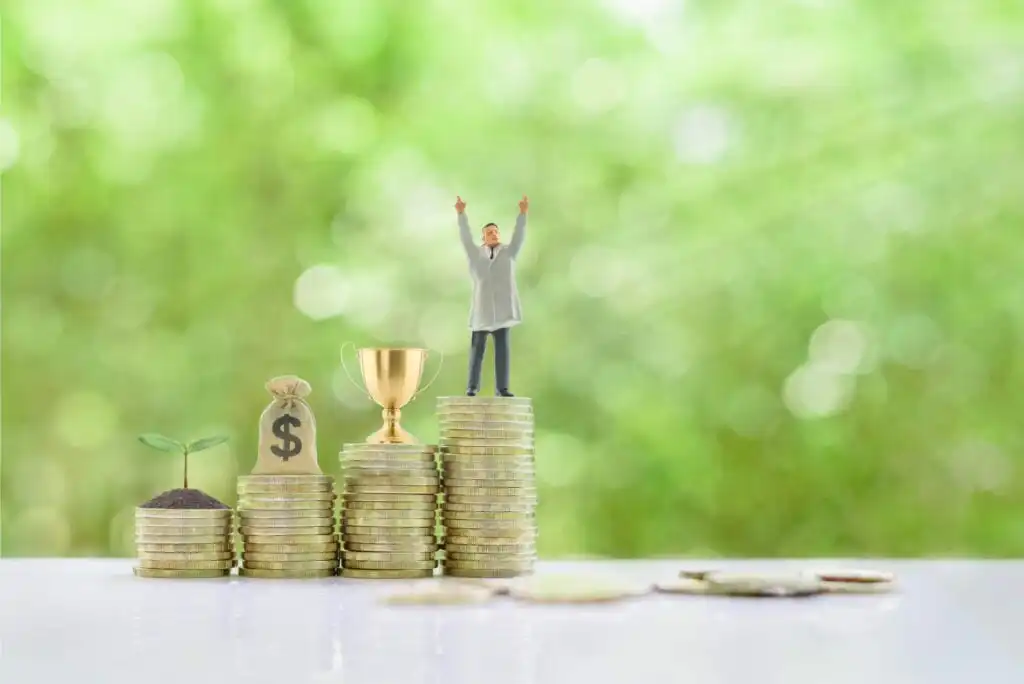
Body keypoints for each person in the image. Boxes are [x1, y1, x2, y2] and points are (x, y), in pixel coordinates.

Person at [455, 194, 528, 396]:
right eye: (489, 232)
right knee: (477, 351)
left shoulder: (508, 252)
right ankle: (472, 386)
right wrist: (461, 214)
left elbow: (519, 236)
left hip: (503, 311)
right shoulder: (475, 254)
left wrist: (522, 215)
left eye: (496, 231)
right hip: (482, 310)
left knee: (502, 352)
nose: (494, 234)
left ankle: (502, 388)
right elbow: (465, 237)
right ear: (483, 237)